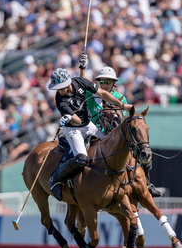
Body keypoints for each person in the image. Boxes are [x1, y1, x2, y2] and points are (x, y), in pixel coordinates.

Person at [47, 52, 132, 201]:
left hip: (89, 124)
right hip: (74, 128)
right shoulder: (61, 101)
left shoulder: (80, 82)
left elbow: (102, 93)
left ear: (69, 82)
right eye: (58, 88)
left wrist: (122, 105)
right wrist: (68, 118)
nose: (60, 90)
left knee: (110, 146)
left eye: (62, 87)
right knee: (81, 159)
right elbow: (77, 122)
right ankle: (55, 178)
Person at [86, 66, 163, 198]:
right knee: (78, 152)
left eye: (108, 82)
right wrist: (83, 67)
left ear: (113, 83)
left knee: (142, 154)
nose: (105, 85)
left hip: (112, 136)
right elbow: (81, 82)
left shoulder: (119, 97)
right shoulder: (90, 95)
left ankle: (147, 185)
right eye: (102, 82)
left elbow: (121, 119)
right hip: (93, 132)